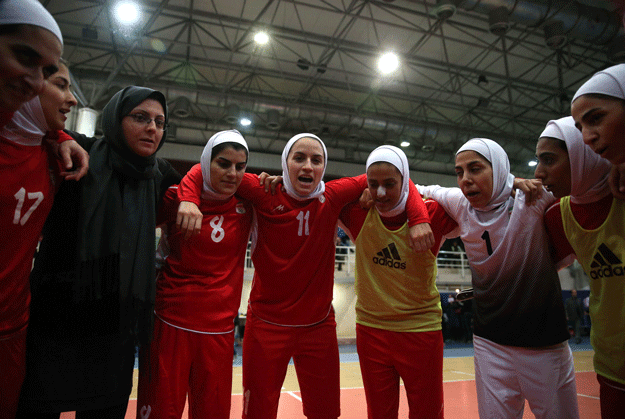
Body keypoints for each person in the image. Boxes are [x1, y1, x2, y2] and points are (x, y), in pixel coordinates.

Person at [176, 133, 433, 419]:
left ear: (324, 166)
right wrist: (187, 198)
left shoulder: (334, 194)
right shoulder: (262, 191)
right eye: (299, 158)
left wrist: (420, 218)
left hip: (318, 327)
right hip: (266, 326)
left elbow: (396, 173)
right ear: (285, 163)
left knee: (324, 413)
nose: (308, 166)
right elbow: (208, 165)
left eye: (316, 160)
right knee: (258, 412)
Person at [16, 86, 181, 418]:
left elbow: (207, 183)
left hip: (114, 337)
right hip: (55, 326)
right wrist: (61, 136)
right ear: (115, 118)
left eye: (160, 122)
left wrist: (189, 198)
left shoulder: (159, 174)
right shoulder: (81, 149)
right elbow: (24, 121)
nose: (152, 128)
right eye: (141, 117)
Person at [418, 138, 579, 419]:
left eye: (475, 168)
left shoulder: (533, 198)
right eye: (459, 172)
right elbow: (416, 189)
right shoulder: (460, 203)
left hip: (543, 343)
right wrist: (368, 191)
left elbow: (583, 184)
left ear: (500, 170)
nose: (465, 179)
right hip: (489, 342)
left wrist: (515, 183)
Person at [136, 130, 252, 419]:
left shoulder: (249, 204)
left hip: (220, 332)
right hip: (170, 323)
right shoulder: (175, 197)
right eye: (223, 163)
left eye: (240, 166)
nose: (232, 173)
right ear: (205, 162)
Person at [338, 145, 458, 418]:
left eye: (390, 184)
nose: (380, 193)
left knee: (427, 412)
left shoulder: (434, 213)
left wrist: (510, 185)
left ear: (406, 180)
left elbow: (479, 202)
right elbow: (315, 194)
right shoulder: (357, 212)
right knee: (379, 413)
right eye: (373, 184)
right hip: (371, 331)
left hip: (420, 331)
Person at [0, 59, 78, 419]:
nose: (73, 99)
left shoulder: (55, 156)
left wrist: (61, 137)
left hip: (14, 327)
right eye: (61, 85)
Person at [533, 115, 624, 418]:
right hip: (612, 365)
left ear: (582, 155)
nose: (539, 172)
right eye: (538, 160)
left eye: (549, 160)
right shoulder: (558, 216)